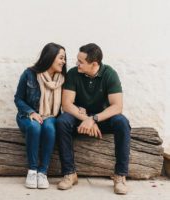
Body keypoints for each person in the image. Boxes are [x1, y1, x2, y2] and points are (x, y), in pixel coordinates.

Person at [56, 43, 131, 195]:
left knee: (122, 122)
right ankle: (69, 173)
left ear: (94, 64)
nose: (77, 63)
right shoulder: (73, 73)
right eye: (77, 60)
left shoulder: (110, 74)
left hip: (101, 119)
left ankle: (120, 176)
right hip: (79, 117)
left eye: (81, 61)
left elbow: (117, 107)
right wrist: (87, 119)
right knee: (62, 121)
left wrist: (94, 119)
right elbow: (67, 104)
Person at [14, 43, 66, 189]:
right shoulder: (29, 74)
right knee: (35, 127)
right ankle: (32, 170)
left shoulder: (62, 78)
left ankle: (42, 172)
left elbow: (69, 100)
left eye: (64, 58)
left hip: (51, 115)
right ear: (50, 57)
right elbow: (18, 98)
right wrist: (31, 112)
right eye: (61, 58)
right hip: (27, 115)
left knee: (49, 128)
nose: (64, 61)